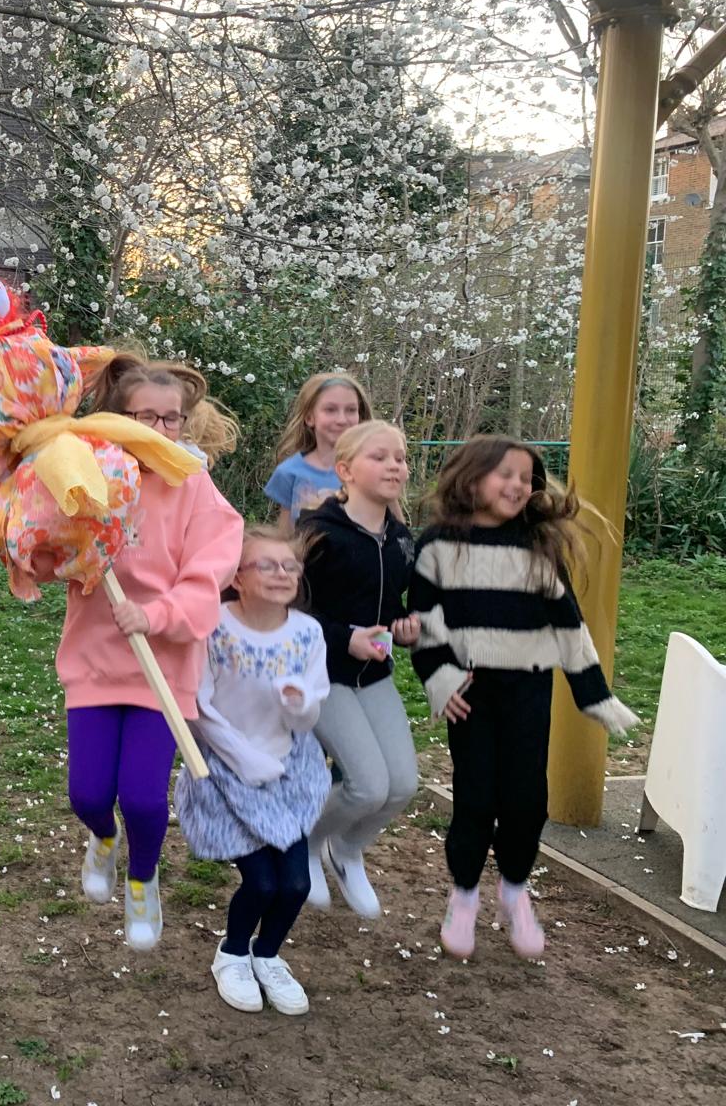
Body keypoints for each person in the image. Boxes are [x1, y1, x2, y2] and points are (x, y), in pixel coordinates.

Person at [410, 437, 637, 960]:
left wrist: (593, 694)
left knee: (526, 800)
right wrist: (440, 679)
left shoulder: (538, 546)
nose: (518, 485)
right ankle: (464, 895)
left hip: (528, 689)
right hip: (470, 692)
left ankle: (514, 890)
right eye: (505, 474)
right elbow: (424, 620)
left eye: (526, 477)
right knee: (475, 798)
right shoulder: (439, 544)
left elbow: (568, 626)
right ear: (471, 477)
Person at [51, 352, 243, 952]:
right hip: (96, 658)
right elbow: (50, 545)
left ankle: (142, 877)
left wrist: (157, 614)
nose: (161, 429)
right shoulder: (90, 476)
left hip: (164, 666)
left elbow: (210, 573)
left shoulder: (195, 486)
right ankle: (102, 837)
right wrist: (49, 550)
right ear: (120, 419)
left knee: (141, 795)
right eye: (147, 418)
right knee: (87, 794)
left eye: (172, 418)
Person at [175, 527, 330, 1015]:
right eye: (267, 565)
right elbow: (198, 707)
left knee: (297, 885)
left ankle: (267, 956)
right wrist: (245, 759)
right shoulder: (214, 628)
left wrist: (299, 704)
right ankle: (233, 953)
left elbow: (311, 709)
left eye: (290, 566)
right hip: (228, 773)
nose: (282, 574)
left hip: (287, 772)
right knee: (262, 883)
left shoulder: (307, 633)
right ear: (237, 578)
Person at [297, 419, 420, 919]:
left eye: (400, 458)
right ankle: (307, 846)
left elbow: (391, 604)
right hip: (322, 675)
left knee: (402, 785)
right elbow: (288, 610)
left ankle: (346, 850)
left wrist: (405, 627)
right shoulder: (318, 534)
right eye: (380, 457)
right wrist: (344, 637)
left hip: (375, 675)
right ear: (346, 471)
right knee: (368, 785)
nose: (395, 466)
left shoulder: (401, 539)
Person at [265, 371, 373, 529]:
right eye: (330, 410)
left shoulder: (374, 469)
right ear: (310, 418)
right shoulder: (290, 472)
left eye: (351, 410)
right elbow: (285, 535)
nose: (342, 420)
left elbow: (399, 534)